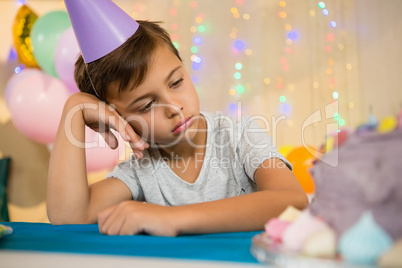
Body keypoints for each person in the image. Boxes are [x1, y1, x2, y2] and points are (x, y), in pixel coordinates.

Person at [47, 2, 308, 237]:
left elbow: (292, 201)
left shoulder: (240, 136)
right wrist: (75, 107)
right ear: (119, 119)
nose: (173, 107)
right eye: (148, 105)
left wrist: (173, 219)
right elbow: (69, 217)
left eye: (176, 82)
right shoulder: (141, 171)